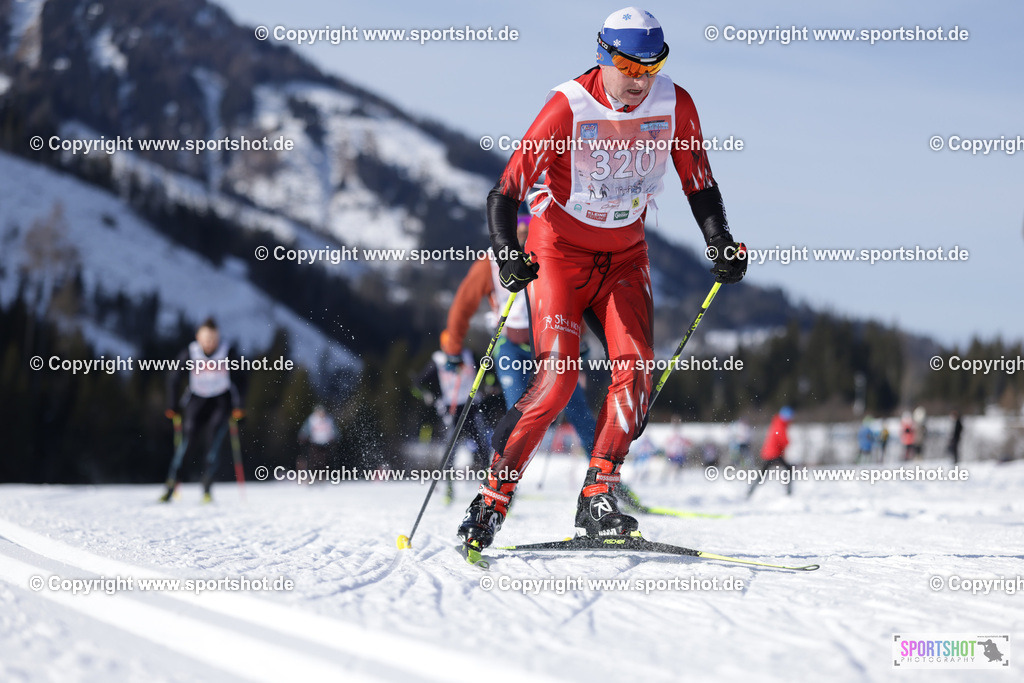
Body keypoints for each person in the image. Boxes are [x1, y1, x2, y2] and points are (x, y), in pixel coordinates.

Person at [457, 7, 746, 550]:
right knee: (560, 378)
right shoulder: (568, 106)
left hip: (624, 258)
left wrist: (720, 241)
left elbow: (698, 180)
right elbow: (506, 189)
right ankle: (492, 498)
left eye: (651, 67)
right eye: (625, 64)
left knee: (635, 371)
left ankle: (598, 495)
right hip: (560, 252)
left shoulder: (674, 104)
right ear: (602, 54)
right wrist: (506, 252)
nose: (638, 79)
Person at [439, 214, 598, 455]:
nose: (524, 229)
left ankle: (605, 475)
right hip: (511, 346)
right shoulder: (490, 262)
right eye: (519, 224)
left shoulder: (551, 254)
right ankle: (502, 482)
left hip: (551, 345)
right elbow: (462, 306)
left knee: (577, 409)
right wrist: (453, 349)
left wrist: (580, 337)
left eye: (529, 222)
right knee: (519, 415)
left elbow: (571, 298)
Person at [161, 318, 246, 503]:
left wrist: (240, 407)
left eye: (213, 339)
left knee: (212, 442)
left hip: (220, 401)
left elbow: (241, 379)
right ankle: (171, 485)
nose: (209, 343)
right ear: (198, 337)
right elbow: (174, 378)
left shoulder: (227, 352)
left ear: (218, 338)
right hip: (196, 400)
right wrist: (172, 405)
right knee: (187, 442)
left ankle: (207, 488)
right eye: (206, 339)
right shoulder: (190, 352)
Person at [416, 348, 492, 502]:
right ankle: (449, 488)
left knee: (483, 448)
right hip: (452, 411)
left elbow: (489, 369)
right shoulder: (437, 360)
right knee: (449, 452)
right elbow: (418, 383)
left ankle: (489, 485)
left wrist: (489, 384)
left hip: (472, 407)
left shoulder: (469, 355)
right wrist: (428, 396)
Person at [747, 407, 794, 499]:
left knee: (763, 474)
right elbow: (782, 438)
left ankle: (751, 490)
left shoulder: (777, 422)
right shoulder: (780, 424)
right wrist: (788, 443)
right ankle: (789, 492)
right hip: (773, 453)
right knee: (788, 469)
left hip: (771, 453)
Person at [298, 405, 337, 471]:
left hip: (326, 443)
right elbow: (305, 429)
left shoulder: (329, 419)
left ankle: (323, 475)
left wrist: (335, 437)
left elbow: (335, 431)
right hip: (314, 443)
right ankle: (313, 474)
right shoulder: (312, 419)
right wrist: (302, 436)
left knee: (324, 461)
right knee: (313, 460)